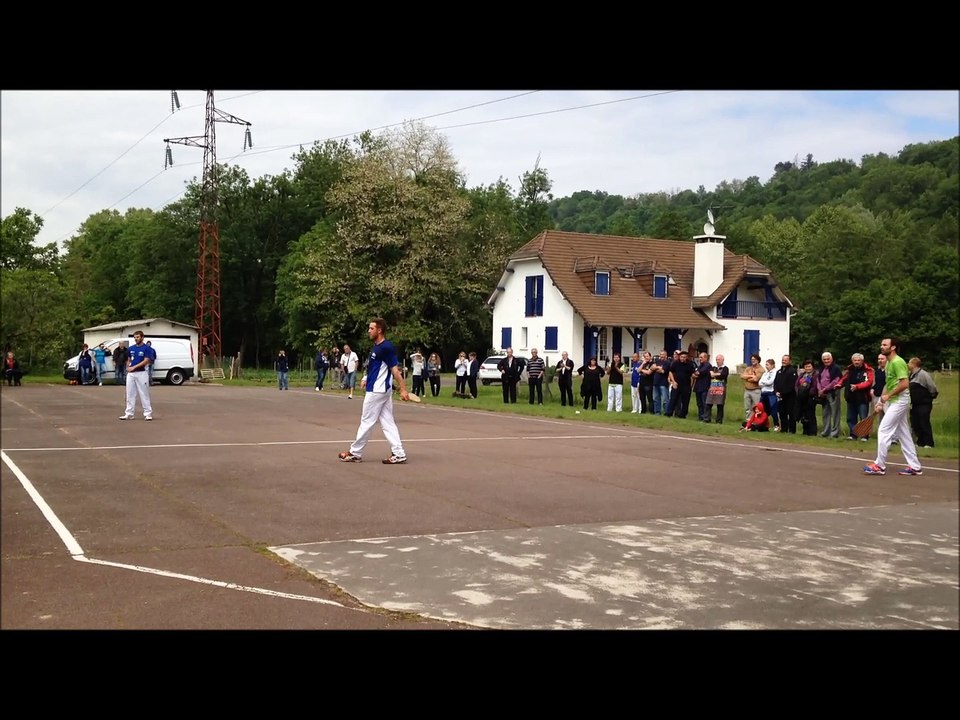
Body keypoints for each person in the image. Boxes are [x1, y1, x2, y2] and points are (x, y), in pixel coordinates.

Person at [338, 318, 410, 465]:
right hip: (379, 389)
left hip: (378, 391)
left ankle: (355, 453)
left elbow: (395, 371)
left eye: (371, 328)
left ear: (379, 330)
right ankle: (399, 453)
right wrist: (365, 377)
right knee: (388, 422)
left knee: (367, 421)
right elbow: (373, 366)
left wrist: (403, 389)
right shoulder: (376, 347)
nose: (369, 331)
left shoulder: (386, 347)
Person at [864, 338, 923, 477]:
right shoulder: (889, 363)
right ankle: (915, 467)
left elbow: (904, 384)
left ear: (893, 347)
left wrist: (887, 396)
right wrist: (881, 401)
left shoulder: (898, 362)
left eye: (885, 345)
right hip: (893, 400)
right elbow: (888, 384)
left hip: (900, 401)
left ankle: (879, 465)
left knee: (884, 429)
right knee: (904, 434)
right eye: (881, 344)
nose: (882, 346)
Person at [837, 353, 874, 442]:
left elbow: (869, 382)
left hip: (862, 397)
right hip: (851, 397)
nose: (857, 362)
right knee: (850, 417)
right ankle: (853, 434)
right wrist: (839, 384)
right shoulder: (850, 370)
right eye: (855, 360)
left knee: (863, 417)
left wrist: (857, 386)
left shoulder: (868, 370)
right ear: (852, 361)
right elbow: (844, 379)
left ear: (862, 361)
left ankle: (865, 435)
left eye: (858, 360)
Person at [119, 331, 155, 421]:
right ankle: (129, 413)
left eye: (138, 337)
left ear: (142, 337)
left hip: (141, 373)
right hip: (131, 374)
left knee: (144, 393)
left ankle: (147, 413)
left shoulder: (147, 348)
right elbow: (128, 359)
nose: (136, 339)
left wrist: (134, 367)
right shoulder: (131, 348)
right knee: (130, 394)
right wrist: (128, 366)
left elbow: (146, 360)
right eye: (135, 337)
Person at [907, 356, 938, 448]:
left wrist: (929, 397)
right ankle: (920, 442)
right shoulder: (911, 375)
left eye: (909, 363)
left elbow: (932, 387)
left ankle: (929, 442)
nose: (908, 365)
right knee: (915, 422)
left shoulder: (923, 374)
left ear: (914, 364)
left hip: (924, 403)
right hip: (915, 403)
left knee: (924, 421)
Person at [817, 351, 843, 438]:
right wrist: (820, 390)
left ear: (831, 359)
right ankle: (826, 431)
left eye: (828, 359)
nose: (826, 361)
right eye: (824, 359)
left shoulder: (836, 368)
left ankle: (835, 432)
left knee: (835, 412)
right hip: (823, 394)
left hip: (833, 393)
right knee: (825, 412)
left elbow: (835, 381)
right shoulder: (821, 368)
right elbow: (818, 379)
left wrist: (824, 389)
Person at [773, 354, 799, 434]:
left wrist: (783, 393)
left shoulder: (792, 371)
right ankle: (784, 429)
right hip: (780, 396)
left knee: (791, 413)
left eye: (785, 360)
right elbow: (775, 383)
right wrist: (776, 391)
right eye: (783, 359)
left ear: (789, 361)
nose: (783, 361)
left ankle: (792, 430)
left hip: (790, 396)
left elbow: (791, 385)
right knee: (782, 413)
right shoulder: (779, 371)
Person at [667, 350, 695, 418]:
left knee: (685, 401)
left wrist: (691, 385)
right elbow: (670, 372)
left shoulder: (690, 364)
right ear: (679, 357)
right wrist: (673, 382)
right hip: (676, 384)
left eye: (684, 357)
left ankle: (683, 415)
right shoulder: (675, 363)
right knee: (673, 399)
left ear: (686, 358)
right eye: (681, 357)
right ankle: (669, 413)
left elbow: (692, 375)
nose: (682, 358)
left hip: (686, 385)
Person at [795, 359, 821, 436]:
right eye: (806, 366)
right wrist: (798, 392)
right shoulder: (802, 375)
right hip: (801, 398)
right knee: (803, 415)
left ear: (813, 367)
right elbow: (796, 385)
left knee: (810, 415)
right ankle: (805, 431)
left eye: (809, 366)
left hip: (810, 398)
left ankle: (812, 432)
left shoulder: (815, 375)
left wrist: (807, 393)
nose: (808, 368)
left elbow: (815, 386)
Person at [739, 353, 763, 424]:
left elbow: (756, 379)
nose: (753, 361)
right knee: (747, 407)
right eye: (752, 359)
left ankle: (756, 422)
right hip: (747, 390)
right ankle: (748, 421)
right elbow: (742, 376)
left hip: (756, 390)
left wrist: (747, 378)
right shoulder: (748, 368)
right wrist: (751, 376)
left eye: (754, 359)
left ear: (758, 360)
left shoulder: (761, 369)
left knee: (756, 407)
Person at [705, 354, 728, 423]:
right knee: (708, 403)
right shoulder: (713, 367)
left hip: (720, 390)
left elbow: (723, 375)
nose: (717, 361)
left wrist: (715, 375)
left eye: (719, 360)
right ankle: (707, 419)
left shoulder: (725, 368)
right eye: (716, 360)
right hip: (712, 389)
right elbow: (710, 375)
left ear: (722, 360)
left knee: (720, 405)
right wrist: (717, 374)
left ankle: (719, 421)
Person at [759, 358, 779, 430]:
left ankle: (776, 424)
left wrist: (764, 382)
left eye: (767, 365)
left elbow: (770, 382)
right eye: (766, 365)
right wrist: (764, 383)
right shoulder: (765, 373)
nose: (766, 366)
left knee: (773, 409)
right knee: (761, 409)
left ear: (772, 365)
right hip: (763, 393)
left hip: (771, 393)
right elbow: (759, 383)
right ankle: (762, 423)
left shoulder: (775, 373)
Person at [693, 351, 713, 422]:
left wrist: (696, 373)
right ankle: (700, 417)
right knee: (699, 403)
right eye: (699, 357)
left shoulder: (708, 365)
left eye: (701, 357)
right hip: (698, 387)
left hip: (705, 387)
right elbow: (695, 374)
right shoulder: (700, 365)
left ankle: (706, 418)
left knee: (705, 403)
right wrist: (695, 373)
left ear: (706, 358)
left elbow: (698, 373)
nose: (699, 358)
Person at [652, 350, 671, 415]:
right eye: (660, 354)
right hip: (656, 382)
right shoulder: (657, 361)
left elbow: (663, 371)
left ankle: (666, 412)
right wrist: (658, 367)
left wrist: (656, 368)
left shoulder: (667, 363)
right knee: (656, 398)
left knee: (665, 399)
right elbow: (652, 368)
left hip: (663, 383)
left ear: (666, 356)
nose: (661, 356)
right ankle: (657, 412)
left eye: (663, 354)